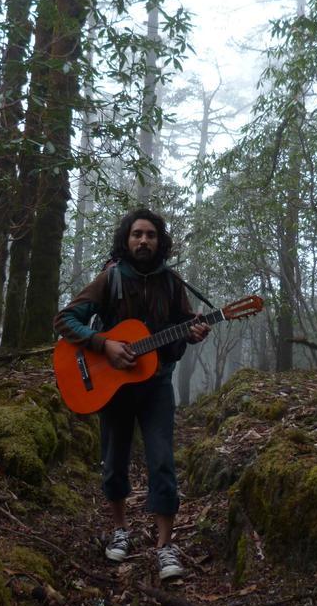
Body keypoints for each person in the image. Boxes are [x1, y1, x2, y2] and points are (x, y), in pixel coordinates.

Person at [54, 208, 210, 580]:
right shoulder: (111, 278)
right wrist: (103, 344)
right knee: (114, 459)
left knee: (162, 462)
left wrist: (193, 331)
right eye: (137, 234)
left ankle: (165, 546)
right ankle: (120, 530)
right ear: (126, 239)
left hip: (156, 386)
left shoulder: (172, 283)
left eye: (151, 235)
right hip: (113, 387)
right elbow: (65, 319)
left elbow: (181, 328)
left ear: (160, 241)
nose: (144, 240)